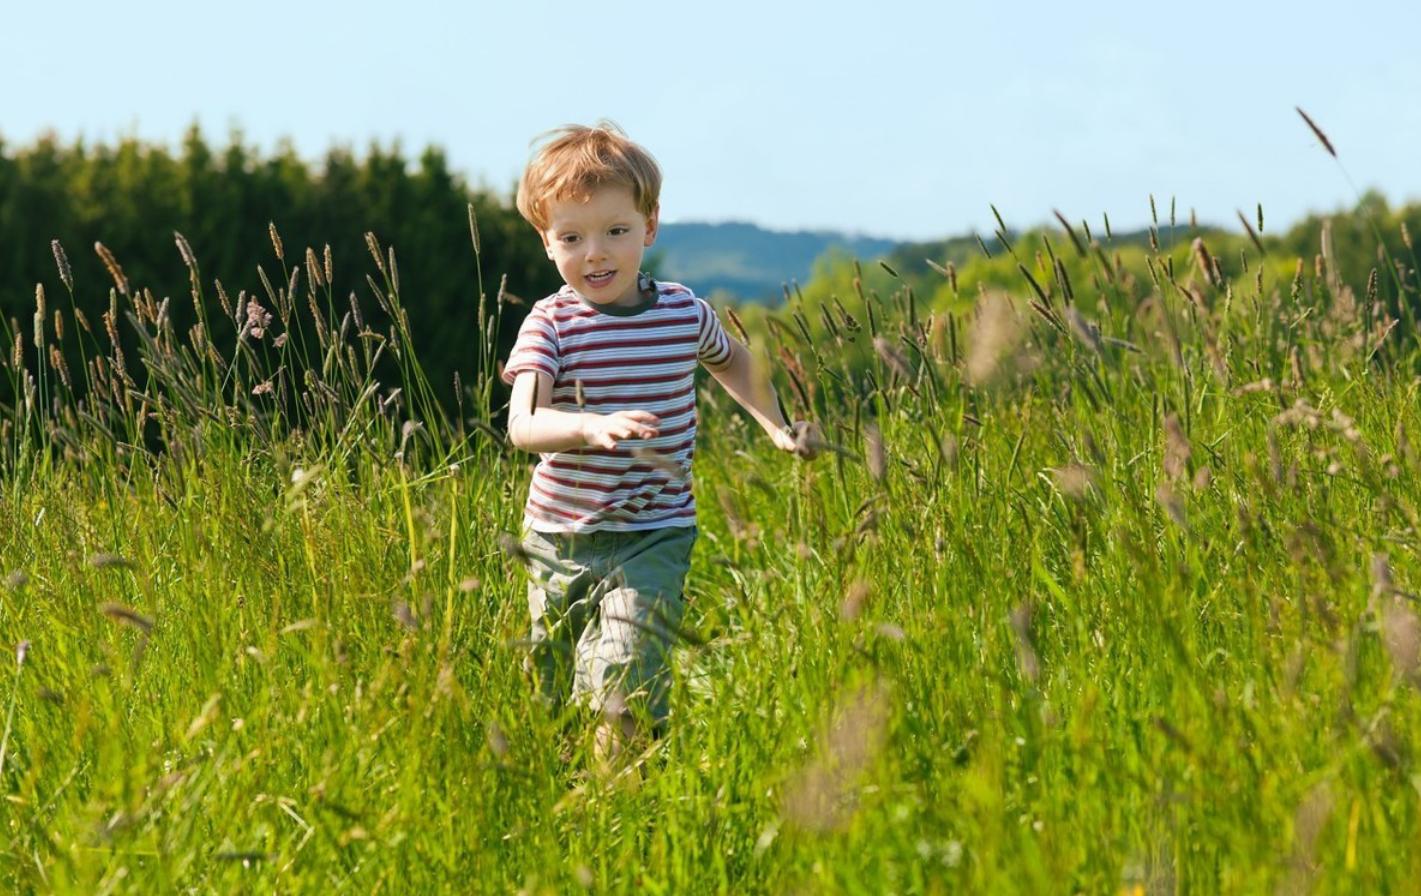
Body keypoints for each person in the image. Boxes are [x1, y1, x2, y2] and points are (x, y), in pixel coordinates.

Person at [501, 121, 818, 766]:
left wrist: (777, 426)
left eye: (615, 231)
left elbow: (735, 363)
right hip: (560, 537)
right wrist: (589, 427)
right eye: (572, 237)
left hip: (655, 533)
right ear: (546, 242)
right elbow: (522, 426)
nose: (596, 254)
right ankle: (564, 802)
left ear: (649, 227)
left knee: (624, 677)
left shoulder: (681, 312)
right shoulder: (551, 323)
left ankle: (617, 803)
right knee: (553, 694)